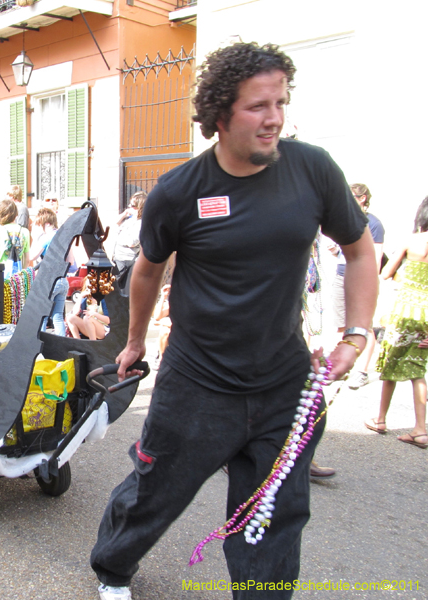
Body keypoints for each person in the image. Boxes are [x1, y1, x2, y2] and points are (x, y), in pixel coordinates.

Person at [90, 42, 378, 600]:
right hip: (197, 384)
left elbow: (360, 250)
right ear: (220, 115)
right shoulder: (180, 191)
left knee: (273, 512)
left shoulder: (313, 168)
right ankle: (113, 568)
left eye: (281, 103)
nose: (274, 119)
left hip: (284, 382)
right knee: (158, 491)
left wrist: (356, 333)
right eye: (258, 107)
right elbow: (147, 273)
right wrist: (133, 341)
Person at [365, 196, 428, 450]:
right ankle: (421, 429)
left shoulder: (410, 241)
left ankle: (380, 419)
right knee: (417, 371)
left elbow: (385, 273)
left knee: (390, 363)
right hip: (426, 314)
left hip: (402, 311)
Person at [341, 183, 386, 390]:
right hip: (340, 274)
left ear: (364, 198)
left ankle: (361, 371)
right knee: (342, 324)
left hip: (363, 279)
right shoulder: (342, 217)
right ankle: (344, 365)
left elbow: (373, 260)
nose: (351, 199)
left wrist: (370, 284)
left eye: (355, 196)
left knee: (364, 327)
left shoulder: (373, 223)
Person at [28, 207, 69, 334]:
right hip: (63, 280)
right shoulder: (64, 236)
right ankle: (61, 348)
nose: (38, 228)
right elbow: (71, 261)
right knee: (58, 317)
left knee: (42, 315)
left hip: (49, 280)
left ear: (46, 223)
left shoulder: (46, 237)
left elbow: (31, 256)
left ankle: (40, 347)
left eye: (39, 224)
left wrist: (35, 238)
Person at [112, 191, 147, 296]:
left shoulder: (141, 223)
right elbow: (115, 224)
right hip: (119, 258)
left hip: (127, 260)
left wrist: (120, 236)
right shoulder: (130, 219)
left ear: (138, 207)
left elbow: (132, 242)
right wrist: (123, 215)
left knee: (123, 290)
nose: (128, 206)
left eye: (131, 205)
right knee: (116, 288)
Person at [0, 198, 29, 276]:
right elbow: (27, 260)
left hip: (1, 277)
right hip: (17, 279)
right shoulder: (25, 231)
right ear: (15, 214)